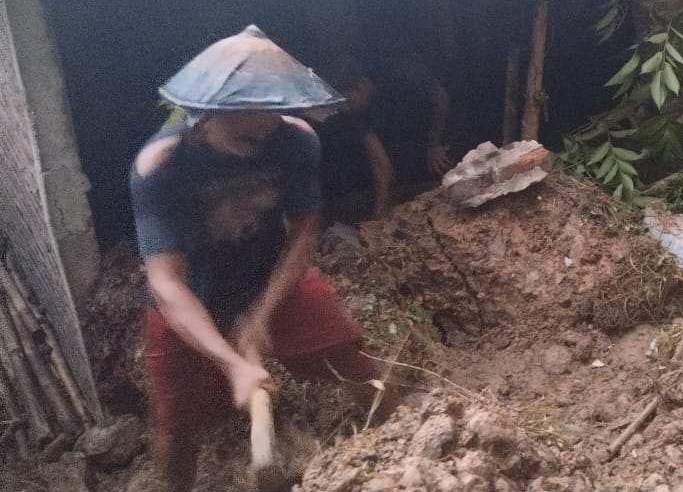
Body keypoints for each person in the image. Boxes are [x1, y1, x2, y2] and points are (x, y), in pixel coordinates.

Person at [131, 25, 389, 492]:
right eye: (246, 115)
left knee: (358, 365)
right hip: (192, 300)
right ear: (205, 114)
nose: (265, 126)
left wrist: (260, 316)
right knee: (175, 426)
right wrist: (233, 362)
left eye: (272, 110)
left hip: (273, 278)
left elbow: (304, 231)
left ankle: (407, 451)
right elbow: (167, 284)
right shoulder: (160, 167)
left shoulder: (296, 141)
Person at [312, 54, 452, 221]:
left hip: (444, 116)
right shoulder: (356, 112)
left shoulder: (401, 73)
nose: (346, 109)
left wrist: (433, 145)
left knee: (443, 167)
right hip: (406, 130)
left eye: (348, 101)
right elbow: (380, 163)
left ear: (362, 84)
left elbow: (441, 99)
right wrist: (380, 214)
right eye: (341, 107)